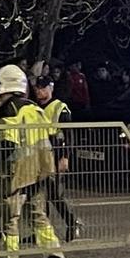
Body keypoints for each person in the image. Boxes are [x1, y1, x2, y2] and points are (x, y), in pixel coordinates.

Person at [0, 65, 67, 258]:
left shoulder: (9, 112)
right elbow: (53, 137)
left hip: (16, 175)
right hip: (40, 172)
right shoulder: (35, 109)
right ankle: (54, 255)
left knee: (8, 221)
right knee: (38, 216)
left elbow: (7, 145)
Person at [34, 76, 82, 242]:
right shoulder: (35, 107)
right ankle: (42, 230)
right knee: (39, 195)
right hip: (39, 155)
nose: (40, 91)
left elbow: (69, 135)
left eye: (43, 87)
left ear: (51, 88)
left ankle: (72, 222)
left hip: (55, 153)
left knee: (54, 194)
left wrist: (65, 157)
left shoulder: (60, 108)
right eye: (38, 88)